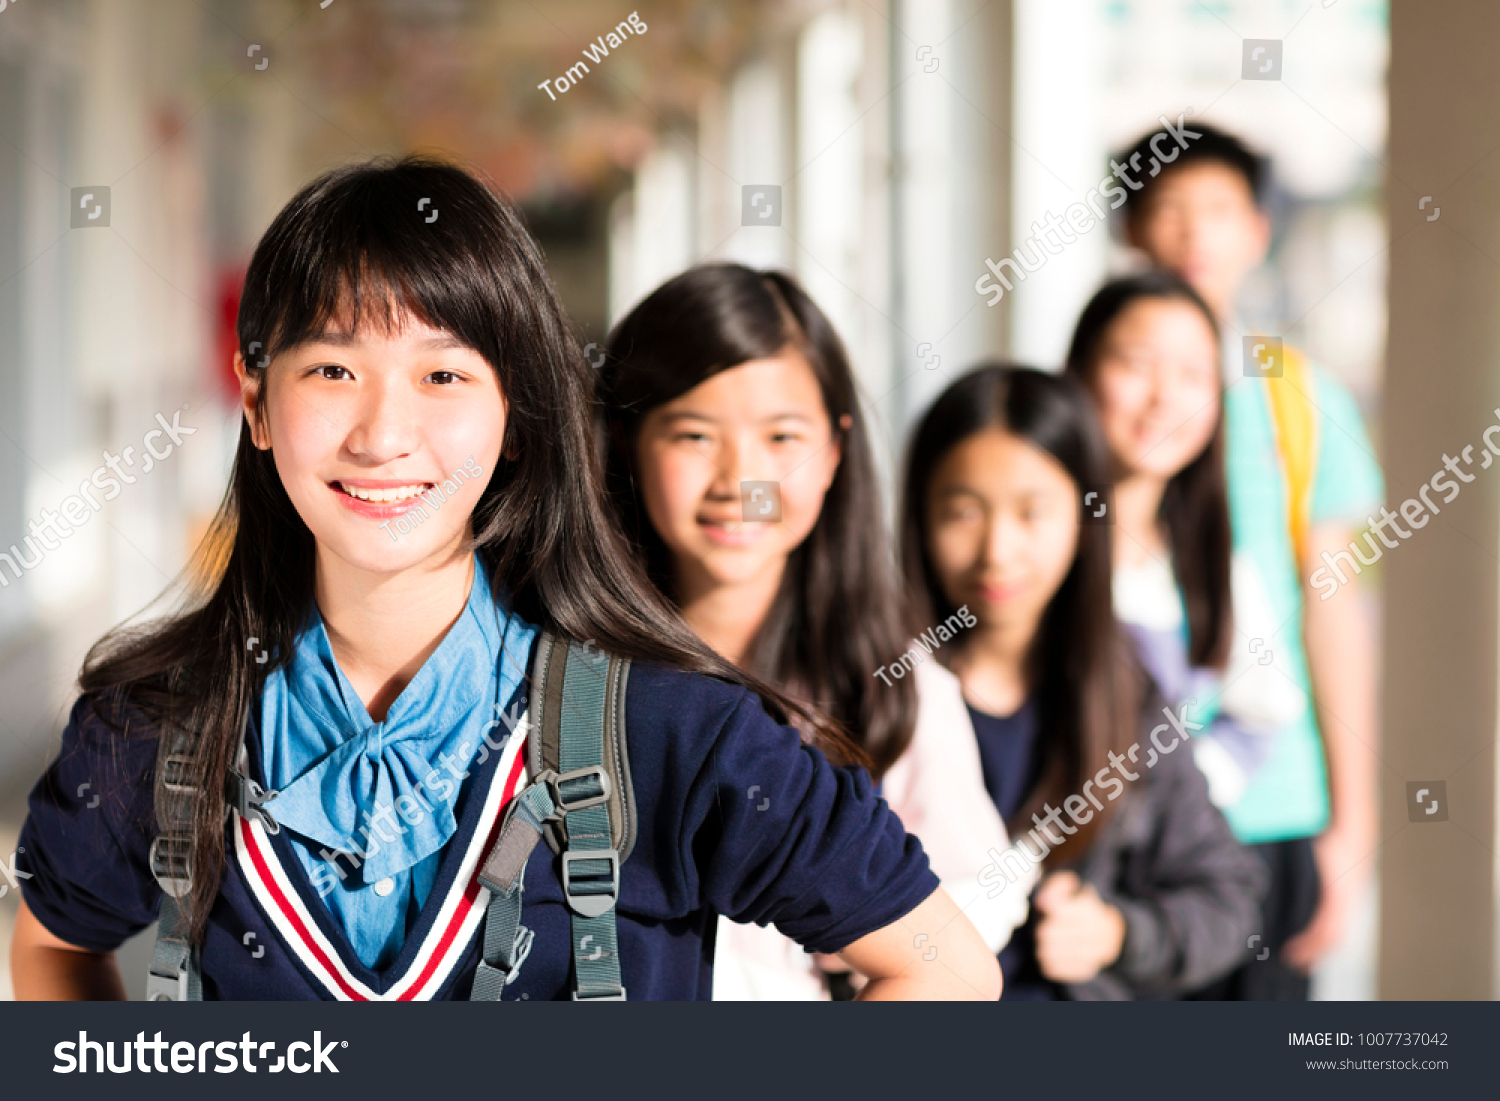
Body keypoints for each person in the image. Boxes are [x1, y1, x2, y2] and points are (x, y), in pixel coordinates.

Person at [7, 155, 999, 1002]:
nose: (385, 435)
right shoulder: (153, 724)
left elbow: (945, 967)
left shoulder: (675, 731)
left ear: (517, 416)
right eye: (332, 371)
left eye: (444, 377)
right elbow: (55, 944)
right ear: (257, 402)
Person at [598, 262, 1028, 999]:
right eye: (695, 434)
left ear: (834, 452)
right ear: (628, 443)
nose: (741, 480)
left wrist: (853, 932)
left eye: (781, 437)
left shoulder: (892, 684)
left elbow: (981, 891)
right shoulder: (569, 674)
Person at [1117, 121, 1383, 996]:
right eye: (1169, 209)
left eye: (1219, 211)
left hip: (1273, 809)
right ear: (1129, 228)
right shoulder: (1083, 402)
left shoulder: (1300, 400)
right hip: (1125, 816)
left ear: (1257, 232)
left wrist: (1354, 821)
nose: (1195, 234)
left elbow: (1333, 611)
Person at [900, 363, 1264, 999]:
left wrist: (1118, 932)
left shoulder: (1127, 690)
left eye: (1032, 512)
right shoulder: (875, 686)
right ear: (918, 516)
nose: (996, 551)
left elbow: (1227, 894)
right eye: (962, 512)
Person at [1063, 272, 1304, 813]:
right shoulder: (1032, 548)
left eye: (1194, 375)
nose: (1164, 397)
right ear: (1078, 371)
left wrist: (1174, 811)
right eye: (1136, 364)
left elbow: (1260, 716)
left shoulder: (1212, 562)